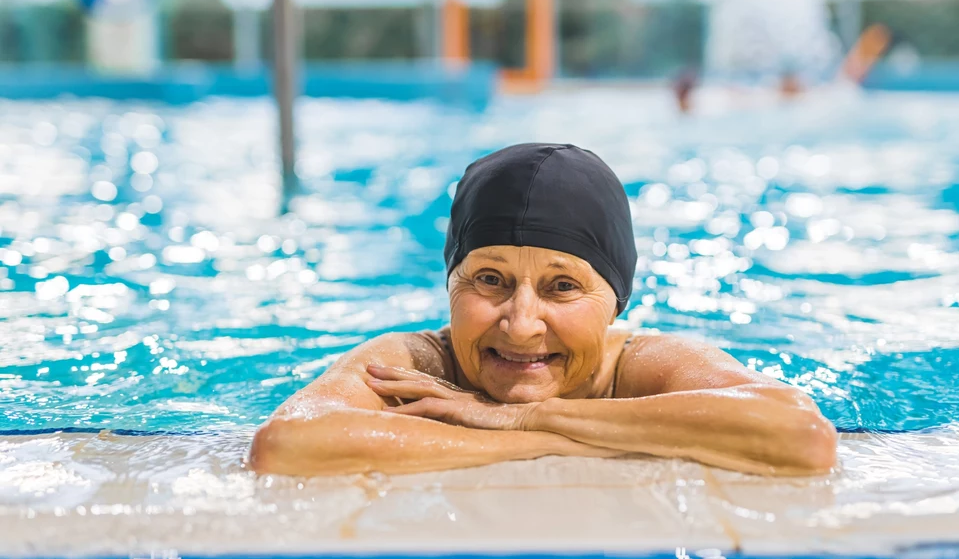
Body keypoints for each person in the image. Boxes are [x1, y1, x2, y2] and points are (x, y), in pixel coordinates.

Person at [249, 144, 837, 477]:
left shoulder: (643, 365)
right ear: (450, 285)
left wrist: (527, 417)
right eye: (489, 280)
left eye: (561, 287)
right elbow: (286, 445)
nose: (521, 322)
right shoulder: (415, 365)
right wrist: (537, 439)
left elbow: (803, 435)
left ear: (613, 304)